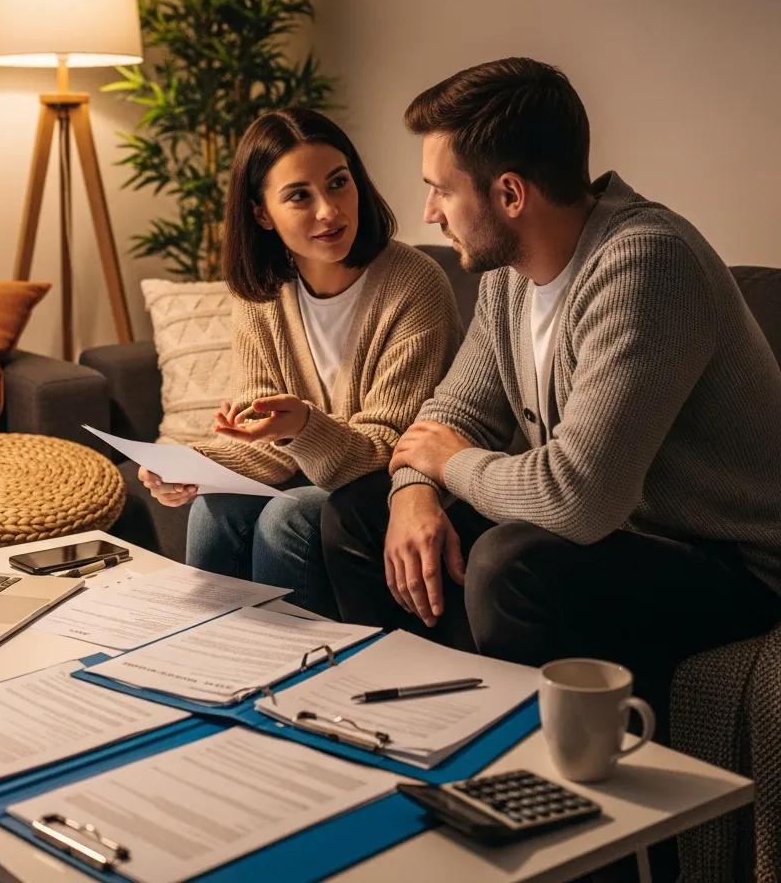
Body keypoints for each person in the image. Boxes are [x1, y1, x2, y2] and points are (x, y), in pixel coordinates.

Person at [321, 57, 781, 721]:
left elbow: (575, 500)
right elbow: (451, 413)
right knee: (356, 515)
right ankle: (416, 733)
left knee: (513, 565)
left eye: (442, 191)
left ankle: (527, 781)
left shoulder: (645, 265)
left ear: (510, 194)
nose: (429, 213)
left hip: (731, 562)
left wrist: (448, 464)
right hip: (623, 531)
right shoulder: (510, 274)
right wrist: (414, 491)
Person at [139, 108, 462, 616]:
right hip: (319, 478)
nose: (329, 211)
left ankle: (296, 683)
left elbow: (390, 448)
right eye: (299, 196)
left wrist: (305, 426)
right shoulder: (261, 295)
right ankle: (200, 664)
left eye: (338, 183)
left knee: (287, 518)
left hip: (391, 488)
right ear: (262, 213)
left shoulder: (414, 285)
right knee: (214, 510)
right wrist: (197, 467)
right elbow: (270, 445)